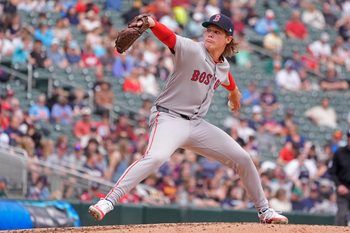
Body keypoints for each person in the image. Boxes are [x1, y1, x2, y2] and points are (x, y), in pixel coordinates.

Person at [88, 13, 288, 224]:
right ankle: (108, 201)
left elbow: (226, 76)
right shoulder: (192, 50)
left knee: (243, 159)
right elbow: (169, 38)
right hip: (168, 118)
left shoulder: (223, 65)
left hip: (196, 125)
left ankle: (265, 211)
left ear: (228, 39)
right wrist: (153, 24)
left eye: (216, 32)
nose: (210, 34)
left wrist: (235, 93)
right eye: (208, 30)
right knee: (155, 157)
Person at [330, 129, 350, 226]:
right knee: (342, 215)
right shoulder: (339, 153)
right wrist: (339, 185)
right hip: (343, 190)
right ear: (348, 138)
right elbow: (333, 172)